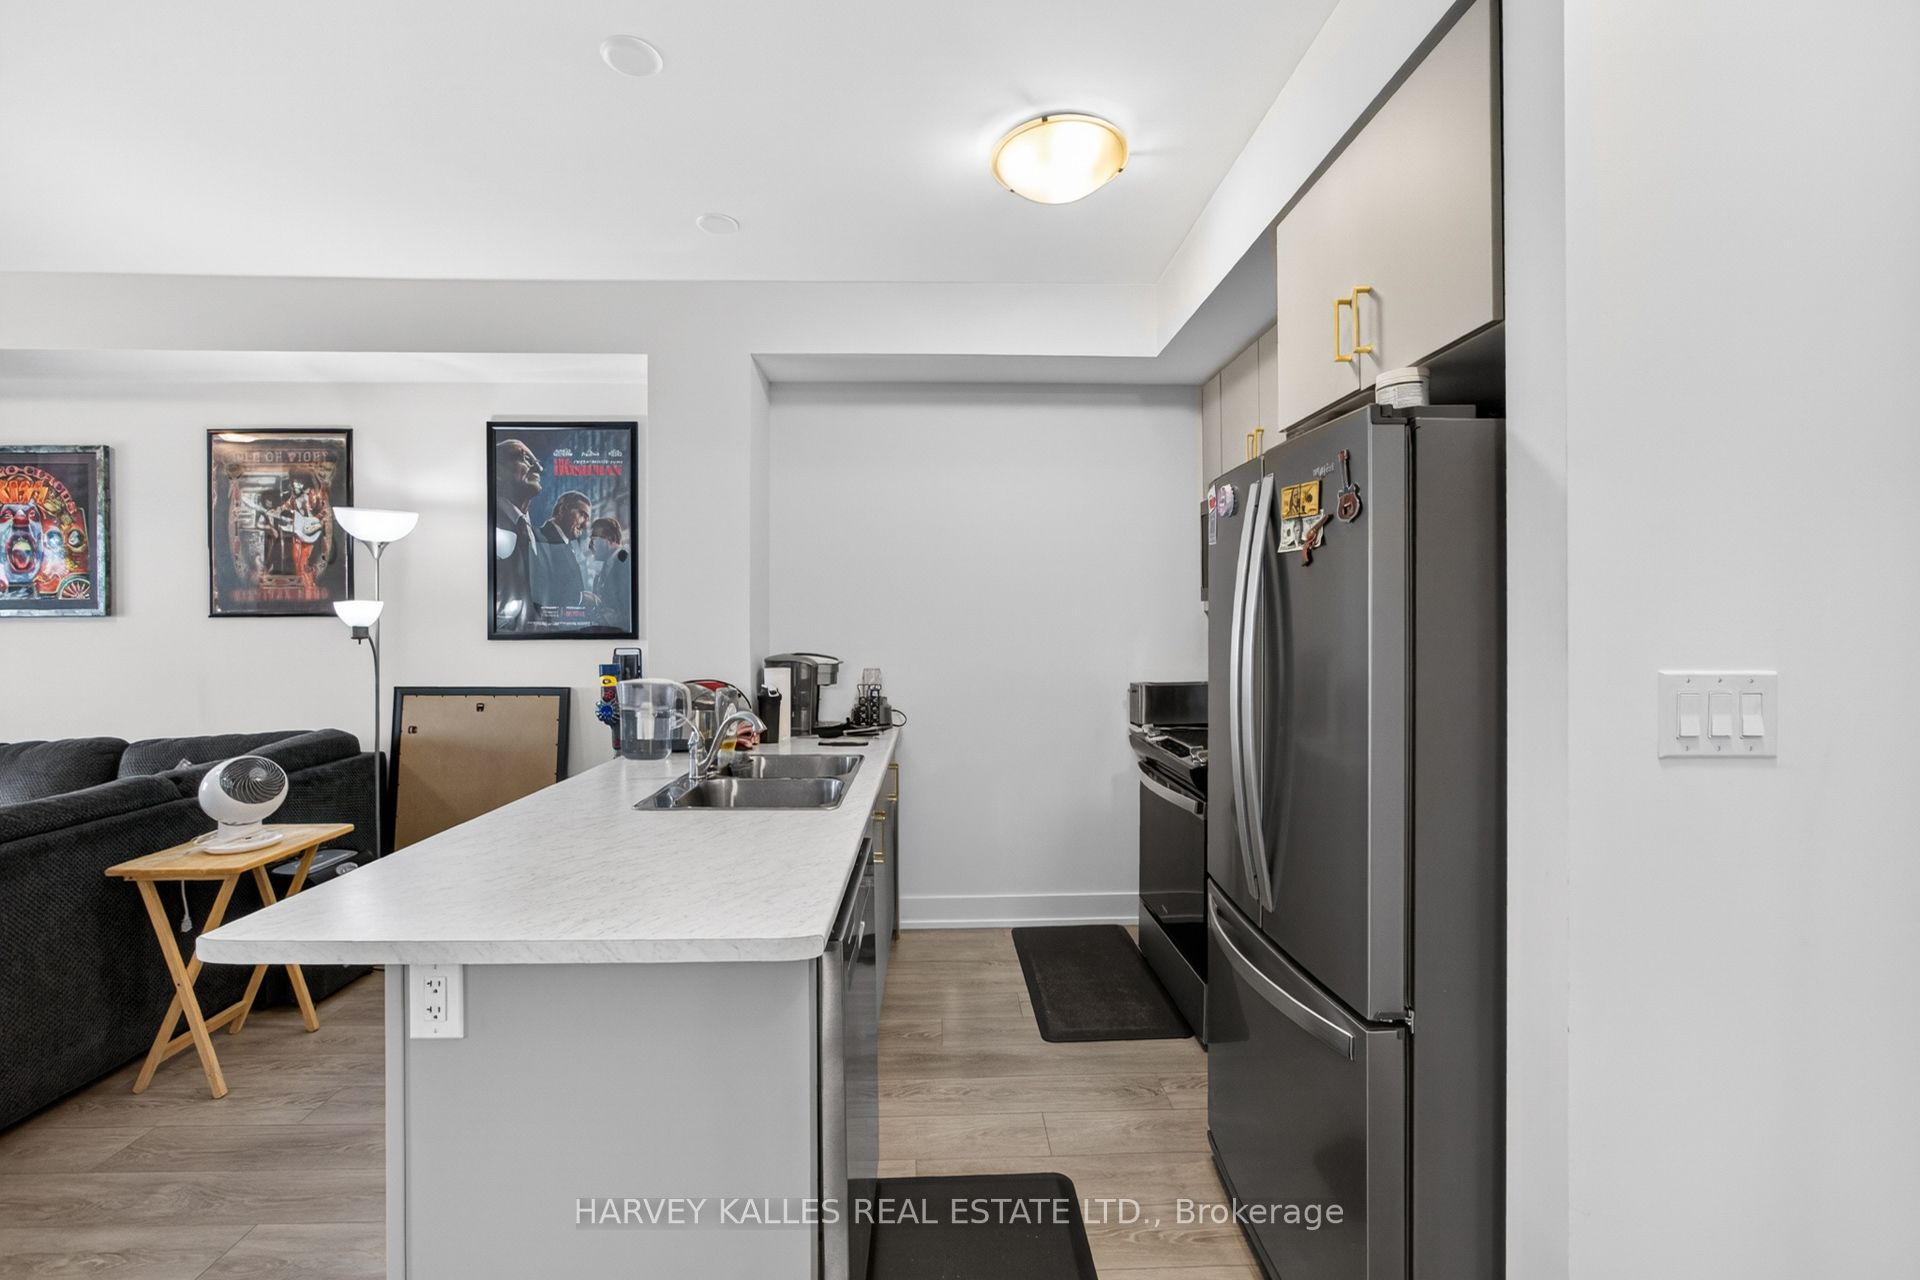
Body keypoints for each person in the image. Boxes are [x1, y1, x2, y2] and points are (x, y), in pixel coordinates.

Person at [492, 438, 543, 632]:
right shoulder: (489, 525)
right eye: (525, 459)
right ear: (497, 472)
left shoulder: (535, 533)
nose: (539, 468)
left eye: (537, 461)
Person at [533, 490, 593, 624]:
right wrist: (580, 597)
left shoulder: (567, 544)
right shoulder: (539, 538)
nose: (585, 525)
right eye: (582, 515)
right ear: (562, 510)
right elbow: (542, 587)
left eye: (587, 519)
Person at [587, 515, 631, 631]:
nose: (590, 545)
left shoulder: (628, 564)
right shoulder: (602, 571)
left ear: (610, 538)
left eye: (593, 540)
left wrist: (614, 619)